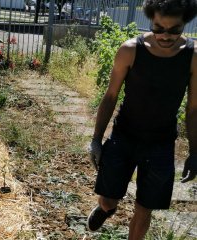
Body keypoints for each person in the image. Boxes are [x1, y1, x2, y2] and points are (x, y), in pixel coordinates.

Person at [87, 0, 197, 238]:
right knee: (108, 199)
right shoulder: (130, 50)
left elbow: (193, 108)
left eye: (174, 29)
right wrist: (96, 139)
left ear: (185, 23)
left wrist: (195, 151)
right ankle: (106, 209)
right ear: (150, 20)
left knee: (145, 208)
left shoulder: (192, 57)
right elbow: (111, 96)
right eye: (159, 28)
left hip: (161, 143)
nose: (166, 36)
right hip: (124, 136)